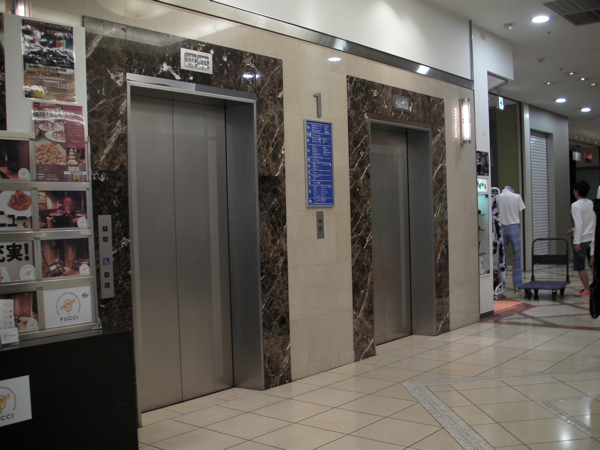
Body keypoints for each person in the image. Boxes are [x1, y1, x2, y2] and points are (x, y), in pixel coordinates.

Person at [568, 180, 596, 296]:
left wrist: (577, 242)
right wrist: (575, 230)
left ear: (576, 191)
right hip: (592, 238)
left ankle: (586, 289)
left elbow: (579, 223)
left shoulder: (575, 205)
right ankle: (595, 287)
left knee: (580, 266)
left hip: (582, 240)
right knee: (593, 264)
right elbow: (590, 221)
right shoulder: (592, 203)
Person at [497, 186, 526, 288]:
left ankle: (501, 282)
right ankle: (517, 283)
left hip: (502, 227)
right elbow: (521, 209)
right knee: (517, 256)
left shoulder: (498, 197)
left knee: (502, 256)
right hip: (514, 227)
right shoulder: (517, 197)